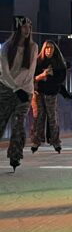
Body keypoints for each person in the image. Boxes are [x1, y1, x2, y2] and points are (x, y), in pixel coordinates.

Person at [1, 16, 37, 172]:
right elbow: (4, 72)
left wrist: (23, 90)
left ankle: (15, 156)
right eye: (24, 26)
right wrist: (15, 88)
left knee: (18, 122)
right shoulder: (6, 47)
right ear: (17, 28)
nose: (27, 29)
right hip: (6, 88)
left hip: (25, 91)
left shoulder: (33, 47)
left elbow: (30, 72)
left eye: (29, 26)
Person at [30, 40, 66, 154]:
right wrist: (42, 76)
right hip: (38, 93)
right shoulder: (37, 61)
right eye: (47, 47)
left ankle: (55, 141)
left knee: (52, 118)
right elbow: (30, 78)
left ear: (54, 50)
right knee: (38, 117)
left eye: (51, 48)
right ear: (43, 49)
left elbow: (61, 78)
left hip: (51, 93)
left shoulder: (59, 62)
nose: (49, 50)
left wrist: (50, 78)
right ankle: (36, 141)